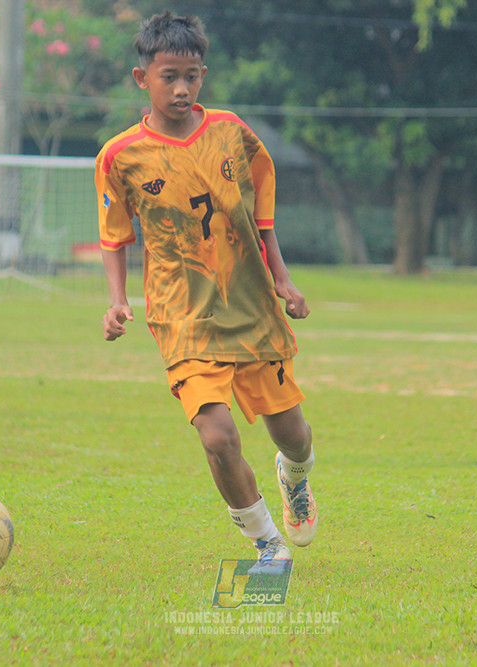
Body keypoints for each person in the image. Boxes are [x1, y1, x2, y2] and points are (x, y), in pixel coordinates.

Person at [95, 11, 318, 570]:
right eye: (169, 75)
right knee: (217, 437)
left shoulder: (231, 132)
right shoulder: (119, 156)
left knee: (291, 433)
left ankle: (295, 479)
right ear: (140, 77)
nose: (181, 88)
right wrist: (118, 300)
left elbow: (259, 211)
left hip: (251, 306)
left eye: (192, 75)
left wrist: (283, 279)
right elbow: (114, 235)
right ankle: (266, 544)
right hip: (182, 315)